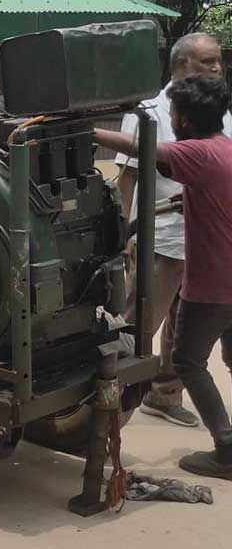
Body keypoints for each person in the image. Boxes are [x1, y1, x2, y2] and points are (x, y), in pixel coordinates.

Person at [94, 75, 232, 480]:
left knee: (188, 361)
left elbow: (140, 147)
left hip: (212, 285)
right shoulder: (224, 148)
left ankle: (226, 449)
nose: (169, 116)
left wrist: (84, 130)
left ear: (184, 119)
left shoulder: (196, 153)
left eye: (173, 111)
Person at [115, 32, 232, 428]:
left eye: (218, 61)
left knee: (185, 328)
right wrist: (121, 235)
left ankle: (165, 395)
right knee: (139, 322)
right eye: (208, 61)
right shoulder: (149, 111)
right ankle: (114, 400)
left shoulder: (221, 108)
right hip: (160, 238)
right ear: (181, 65)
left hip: (208, 244)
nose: (217, 68)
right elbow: (127, 178)